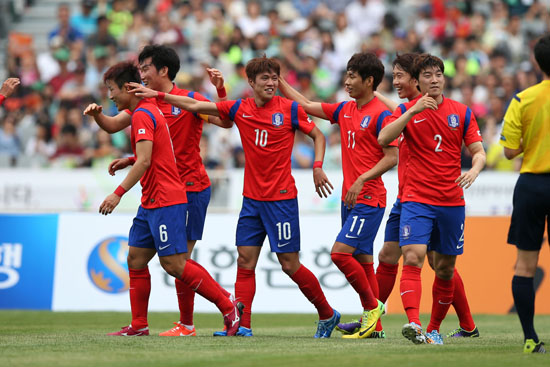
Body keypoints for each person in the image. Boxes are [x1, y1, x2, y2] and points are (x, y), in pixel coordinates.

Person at [129, 56, 341, 338]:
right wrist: (158, 95)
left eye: (274, 78)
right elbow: (196, 105)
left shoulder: (289, 109)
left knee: (289, 264)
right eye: (264, 78)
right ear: (251, 82)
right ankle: (243, 325)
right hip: (251, 201)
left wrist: (317, 167)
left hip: (281, 200)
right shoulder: (241, 108)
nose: (271, 83)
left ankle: (327, 314)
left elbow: (319, 136)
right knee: (244, 261)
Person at [84, 45, 229, 337]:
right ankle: (143, 325)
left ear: (163, 70)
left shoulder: (189, 100)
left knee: (179, 263)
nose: (142, 74)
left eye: (147, 67)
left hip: (189, 188)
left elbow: (225, 120)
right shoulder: (141, 103)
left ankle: (189, 323)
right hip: (157, 188)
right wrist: (101, 118)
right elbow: (116, 127)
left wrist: (221, 92)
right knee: (140, 258)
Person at [336, 53, 478, 339]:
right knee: (388, 255)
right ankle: (372, 321)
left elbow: (385, 117)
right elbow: (388, 121)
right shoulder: (406, 109)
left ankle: (465, 324)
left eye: (400, 76)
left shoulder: (426, 108)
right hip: (408, 196)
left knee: (440, 264)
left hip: (432, 197)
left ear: (417, 80)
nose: (396, 81)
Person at [278, 52, 396, 339]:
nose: (346, 81)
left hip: (370, 198)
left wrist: (362, 179)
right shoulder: (345, 110)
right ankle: (375, 328)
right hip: (350, 199)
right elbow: (305, 104)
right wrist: (277, 79)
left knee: (339, 254)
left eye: (353, 76)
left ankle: (371, 309)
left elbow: (392, 156)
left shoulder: (382, 114)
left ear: (369, 81)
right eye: (346, 75)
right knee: (365, 262)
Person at [378, 53, 486, 345]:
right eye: (428, 75)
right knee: (412, 256)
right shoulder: (407, 110)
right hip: (416, 200)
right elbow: (383, 139)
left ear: (444, 77)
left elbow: (478, 150)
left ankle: (434, 328)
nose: (435, 79)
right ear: (419, 82)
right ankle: (413, 322)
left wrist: (475, 168)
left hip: (451, 202)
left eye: (439, 74)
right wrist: (411, 113)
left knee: (445, 268)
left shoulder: (461, 112)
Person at [500, 34, 550, 354]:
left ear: (536, 62)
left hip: (532, 184)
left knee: (525, 265)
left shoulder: (523, 99)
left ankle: (530, 338)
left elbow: (508, 151)